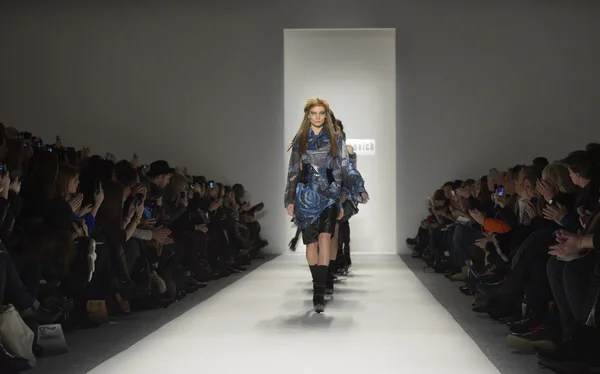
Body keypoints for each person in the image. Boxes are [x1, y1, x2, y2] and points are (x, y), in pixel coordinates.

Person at [285, 97, 346, 313]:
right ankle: (316, 283)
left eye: (321, 113)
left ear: (326, 115)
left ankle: (319, 290)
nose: (318, 117)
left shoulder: (334, 139)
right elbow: (293, 171)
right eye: (314, 113)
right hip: (305, 196)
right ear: (308, 115)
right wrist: (289, 199)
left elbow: (337, 172)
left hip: (328, 195)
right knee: (311, 244)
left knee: (325, 237)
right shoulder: (300, 139)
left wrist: (339, 200)